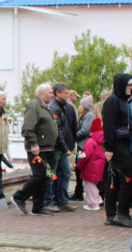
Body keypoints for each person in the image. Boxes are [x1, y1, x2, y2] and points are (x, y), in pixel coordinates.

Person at [11, 83, 58, 216]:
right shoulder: (34, 106)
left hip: (47, 148)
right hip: (38, 148)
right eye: (50, 92)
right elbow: (27, 128)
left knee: (44, 177)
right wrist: (33, 144)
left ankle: (38, 207)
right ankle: (19, 197)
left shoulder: (46, 107)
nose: (52, 95)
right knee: (39, 175)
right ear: (41, 93)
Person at [102, 73, 132, 227]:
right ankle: (122, 213)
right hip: (116, 146)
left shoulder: (123, 101)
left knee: (114, 179)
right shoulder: (113, 101)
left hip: (122, 144)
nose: (131, 87)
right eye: (128, 84)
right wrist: (109, 147)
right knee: (131, 176)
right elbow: (109, 126)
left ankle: (112, 214)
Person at [46, 82, 77, 212]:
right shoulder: (53, 107)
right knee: (52, 174)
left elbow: (72, 126)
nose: (68, 95)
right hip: (56, 147)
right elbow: (57, 130)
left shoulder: (67, 107)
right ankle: (48, 201)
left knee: (65, 172)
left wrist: (71, 144)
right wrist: (64, 147)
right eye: (65, 93)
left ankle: (62, 200)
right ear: (57, 93)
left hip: (64, 146)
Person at [76, 118, 105, 211]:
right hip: (99, 167)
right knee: (93, 185)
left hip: (90, 168)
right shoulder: (102, 141)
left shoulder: (90, 141)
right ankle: (98, 198)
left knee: (89, 186)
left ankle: (93, 204)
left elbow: (85, 155)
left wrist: (79, 165)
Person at [73, 94, 97, 201]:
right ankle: (79, 191)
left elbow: (85, 131)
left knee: (80, 167)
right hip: (82, 145)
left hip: (84, 146)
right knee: (79, 167)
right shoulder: (87, 115)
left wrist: (74, 136)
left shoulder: (89, 116)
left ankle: (79, 191)